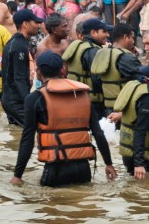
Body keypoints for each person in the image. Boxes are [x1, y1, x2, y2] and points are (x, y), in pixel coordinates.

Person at [12, 50, 116, 187]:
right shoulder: (83, 95)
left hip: (55, 169)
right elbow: (98, 133)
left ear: (38, 72)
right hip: (84, 169)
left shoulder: (34, 99)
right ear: (62, 70)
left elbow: (27, 139)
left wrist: (17, 175)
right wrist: (109, 164)